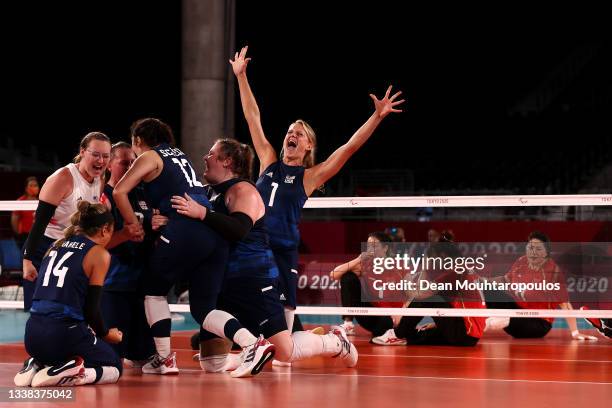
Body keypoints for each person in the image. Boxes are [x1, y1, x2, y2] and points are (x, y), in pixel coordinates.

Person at [229, 45, 404, 341]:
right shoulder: (268, 161)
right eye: (289, 131)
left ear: (309, 146)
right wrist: (241, 76)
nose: (291, 135)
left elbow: (349, 148)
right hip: (254, 245)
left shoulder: (309, 177)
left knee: (283, 324)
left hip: (282, 249)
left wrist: (377, 117)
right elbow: (252, 118)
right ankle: (247, 343)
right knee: (240, 300)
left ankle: (323, 342)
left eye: (299, 133)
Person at [171, 139, 358, 377]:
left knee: (285, 353)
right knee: (211, 363)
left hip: (253, 279)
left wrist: (202, 214)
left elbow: (238, 229)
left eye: (211, 153)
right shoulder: (208, 193)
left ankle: (335, 341)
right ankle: (248, 349)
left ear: (227, 161)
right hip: (222, 282)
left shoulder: (243, 190)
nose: (205, 158)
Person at [113, 118, 229, 374]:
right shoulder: (180, 155)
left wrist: (133, 225)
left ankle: (165, 358)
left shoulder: (149, 156)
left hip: (186, 229)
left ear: (138, 141)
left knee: (152, 291)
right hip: (210, 231)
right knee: (204, 308)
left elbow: (119, 192)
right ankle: (252, 343)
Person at [14, 201, 123, 387]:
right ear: (105, 229)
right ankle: (74, 371)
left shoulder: (57, 244)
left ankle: (37, 362)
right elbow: (92, 310)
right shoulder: (99, 254)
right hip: (62, 333)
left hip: (32, 334)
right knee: (114, 365)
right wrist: (106, 335)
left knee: (69, 343)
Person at [21, 132, 112, 311]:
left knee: (73, 308)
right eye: (95, 154)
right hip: (44, 249)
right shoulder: (62, 178)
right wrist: (27, 260)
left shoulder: (100, 178)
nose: (101, 161)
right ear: (83, 151)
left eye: (105, 156)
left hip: (73, 249)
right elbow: (39, 222)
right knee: (39, 310)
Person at [371, 236, 487, 347]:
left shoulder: (454, 272)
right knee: (421, 334)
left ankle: (397, 334)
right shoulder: (465, 269)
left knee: (431, 298)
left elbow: (420, 295)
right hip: (469, 337)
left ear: (442, 256)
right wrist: (436, 324)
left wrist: (425, 269)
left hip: (463, 332)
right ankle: (404, 337)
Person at [483, 231, 597, 340]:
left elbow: (566, 305)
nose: (533, 252)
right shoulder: (521, 262)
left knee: (501, 320)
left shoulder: (553, 273)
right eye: (531, 248)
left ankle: (478, 328)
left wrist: (575, 332)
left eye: (538, 249)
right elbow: (504, 280)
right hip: (517, 310)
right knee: (484, 288)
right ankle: (469, 319)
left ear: (546, 252)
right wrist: (482, 281)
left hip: (538, 323)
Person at [100, 142, 155, 366]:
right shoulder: (101, 197)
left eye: (134, 162)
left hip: (142, 284)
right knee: (111, 359)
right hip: (113, 284)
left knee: (143, 357)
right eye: (125, 163)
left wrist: (158, 224)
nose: (131, 167)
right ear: (110, 165)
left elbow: (149, 229)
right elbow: (95, 244)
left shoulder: (142, 194)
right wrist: (124, 235)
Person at [330, 232, 400, 337]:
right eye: (368, 245)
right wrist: (358, 259)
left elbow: (408, 296)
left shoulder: (398, 267)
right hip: (370, 315)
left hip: (391, 317)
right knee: (348, 277)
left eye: (374, 245)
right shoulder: (366, 265)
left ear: (385, 248)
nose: (370, 249)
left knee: (383, 326)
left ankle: (387, 332)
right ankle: (348, 324)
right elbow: (334, 274)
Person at [11, 177, 39, 250]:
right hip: (24, 236)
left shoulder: (41, 201)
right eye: (31, 185)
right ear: (26, 188)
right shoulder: (20, 201)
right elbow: (14, 220)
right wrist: (18, 235)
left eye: (35, 185)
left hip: (37, 234)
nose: (33, 188)